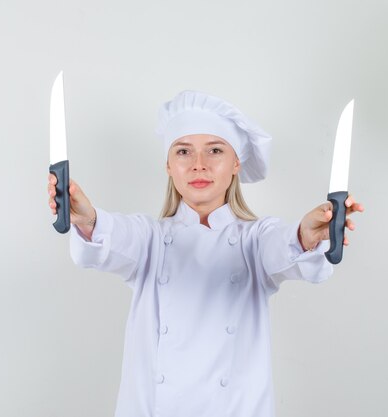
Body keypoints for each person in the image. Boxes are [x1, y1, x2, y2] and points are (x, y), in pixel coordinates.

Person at [47, 90, 364, 417]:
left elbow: (282, 246)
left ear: (236, 163)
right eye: (184, 151)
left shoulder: (254, 240)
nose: (199, 165)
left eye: (215, 150)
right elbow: (113, 235)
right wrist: (88, 219)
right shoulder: (151, 240)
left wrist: (305, 235)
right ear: (169, 166)